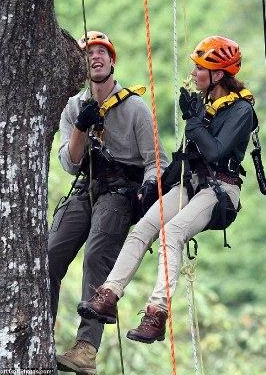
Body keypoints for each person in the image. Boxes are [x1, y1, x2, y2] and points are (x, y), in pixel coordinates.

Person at [77, 36, 255, 344]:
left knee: (171, 233)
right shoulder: (205, 104)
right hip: (192, 183)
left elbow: (215, 153)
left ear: (218, 74)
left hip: (221, 189)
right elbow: (189, 155)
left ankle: (156, 314)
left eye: (201, 69)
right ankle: (108, 294)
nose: (194, 73)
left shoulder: (241, 111)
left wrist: (194, 122)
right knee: (143, 228)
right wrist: (155, 187)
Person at [48, 30, 168, 373]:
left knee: (97, 258)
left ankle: (85, 350)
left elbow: (154, 160)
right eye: (89, 54)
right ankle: (41, 332)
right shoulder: (74, 106)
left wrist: (145, 194)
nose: (95, 58)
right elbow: (70, 163)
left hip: (121, 191)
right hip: (87, 186)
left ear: (112, 61)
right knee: (51, 256)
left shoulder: (134, 107)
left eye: (102, 53)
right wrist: (79, 130)